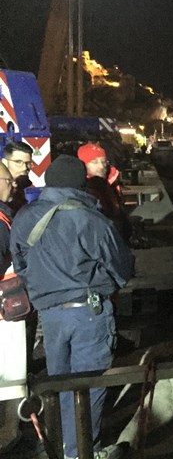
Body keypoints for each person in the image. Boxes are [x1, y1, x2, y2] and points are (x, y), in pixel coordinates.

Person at [10, 155, 134, 459]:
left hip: (50, 316)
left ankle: (64, 445)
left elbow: (20, 264)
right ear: (81, 184)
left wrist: (43, 288)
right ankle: (83, 452)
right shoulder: (92, 219)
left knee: (61, 382)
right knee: (88, 386)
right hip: (88, 313)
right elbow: (121, 267)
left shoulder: (25, 217)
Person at [0, 164, 26, 454]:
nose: (14, 185)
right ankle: (10, 430)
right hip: (6, 308)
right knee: (11, 369)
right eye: (9, 180)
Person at [77, 143, 131, 242]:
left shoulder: (109, 183)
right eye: (94, 162)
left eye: (103, 161)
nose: (101, 166)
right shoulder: (83, 191)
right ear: (83, 165)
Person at [1, 141, 34, 214]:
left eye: (28, 163)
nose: (24, 168)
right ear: (5, 162)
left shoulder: (21, 185)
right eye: (18, 162)